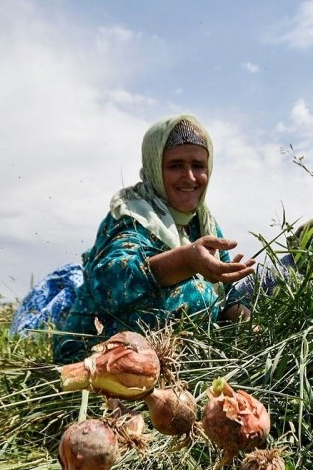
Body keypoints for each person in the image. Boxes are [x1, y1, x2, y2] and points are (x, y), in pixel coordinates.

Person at [52, 114, 255, 363]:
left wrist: (249, 326)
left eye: (198, 166)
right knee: (197, 293)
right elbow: (110, 280)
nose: (190, 177)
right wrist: (186, 260)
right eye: (175, 165)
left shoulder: (202, 222)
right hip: (93, 351)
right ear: (153, 167)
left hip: (167, 356)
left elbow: (226, 291)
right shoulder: (133, 214)